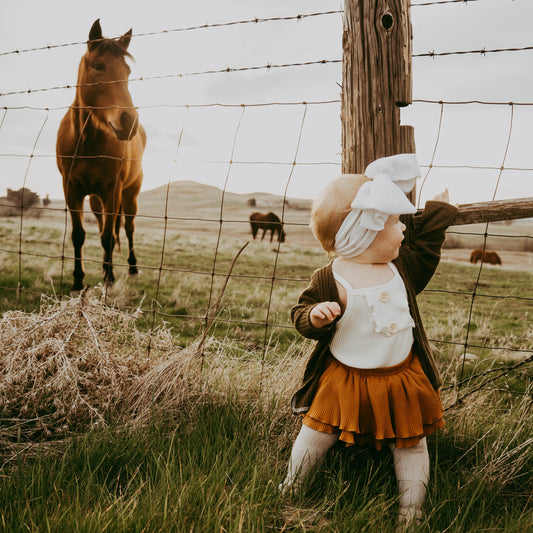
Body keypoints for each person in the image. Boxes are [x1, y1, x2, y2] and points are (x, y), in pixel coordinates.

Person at [279, 154, 458, 526]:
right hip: (344, 376)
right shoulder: (331, 278)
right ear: (361, 232)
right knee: (315, 433)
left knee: (412, 444)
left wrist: (439, 212)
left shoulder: (400, 268)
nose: (403, 229)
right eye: (393, 222)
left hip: (401, 377)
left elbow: (425, 248)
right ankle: (291, 489)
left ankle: (412, 511)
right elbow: (301, 313)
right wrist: (315, 316)